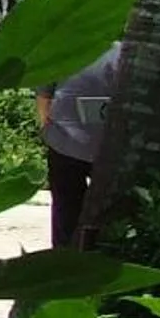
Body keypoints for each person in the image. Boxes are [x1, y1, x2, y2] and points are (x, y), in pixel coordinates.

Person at [38, 42, 125, 249]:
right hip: (108, 145)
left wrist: (47, 130)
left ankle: (64, 253)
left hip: (64, 140)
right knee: (107, 207)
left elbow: (43, 99)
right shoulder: (123, 53)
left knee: (65, 207)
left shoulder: (62, 51)